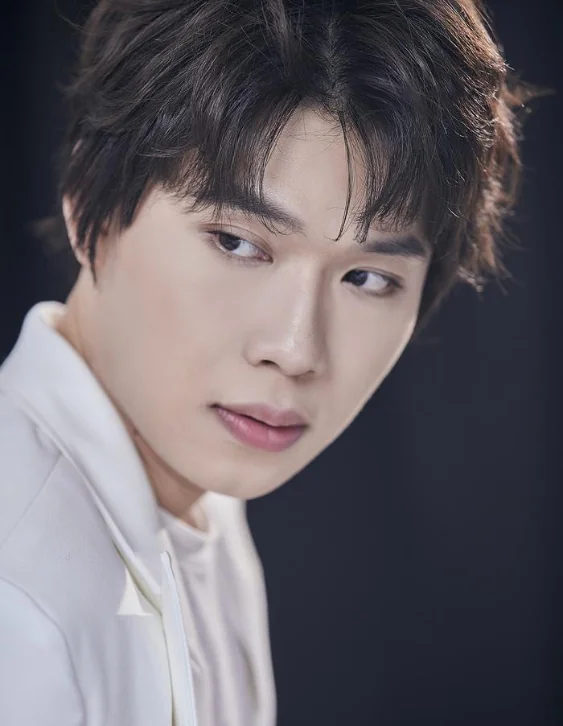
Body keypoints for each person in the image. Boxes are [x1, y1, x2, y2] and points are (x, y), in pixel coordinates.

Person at [0, 1, 532, 725]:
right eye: (237, 244)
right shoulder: (21, 602)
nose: (295, 349)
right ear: (87, 204)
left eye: (367, 278)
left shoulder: (197, 502)